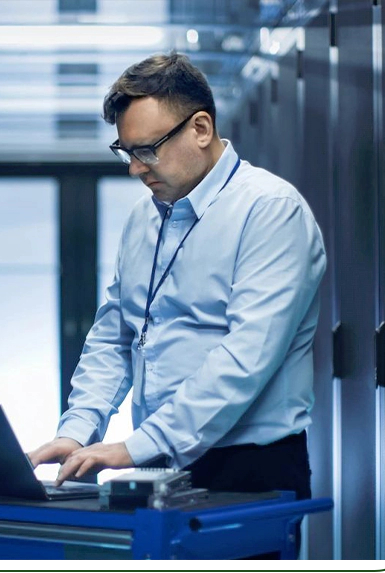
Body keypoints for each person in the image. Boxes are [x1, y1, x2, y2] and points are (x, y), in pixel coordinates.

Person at [28, 52, 327, 516]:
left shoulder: (270, 210)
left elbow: (247, 356)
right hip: (161, 462)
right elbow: (116, 335)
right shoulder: (144, 218)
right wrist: (78, 428)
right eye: (127, 152)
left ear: (201, 128)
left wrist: (135, 446)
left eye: (148, 150)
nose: (135, 168)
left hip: (248, 468)